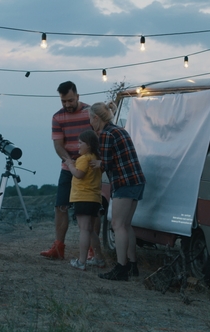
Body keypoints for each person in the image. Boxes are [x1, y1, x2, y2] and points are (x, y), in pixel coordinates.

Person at [41, 81, 98, 260]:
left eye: (70, 100)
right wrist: (70, 161)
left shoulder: (90, 113)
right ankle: (58, 247)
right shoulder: (57, 117)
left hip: (89, 169)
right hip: (68, 168)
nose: (67, 105)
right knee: (61, 206)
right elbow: (58, 145)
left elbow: (99, 138)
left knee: (91, 210)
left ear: (78, 96)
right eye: (63, 101)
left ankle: (92, 249)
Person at [89, 102, 145, 281]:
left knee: (118, 225)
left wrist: (96, 164)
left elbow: (106, 164)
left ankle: (121, 268)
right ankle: (132, 265)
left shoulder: (106, 134)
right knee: (126, 225)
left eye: (90, 119)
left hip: (124, 182)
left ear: (96, 118)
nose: (90, 123)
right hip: (136, 181)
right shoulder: (119, 130)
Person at [63, 129, 105, 270]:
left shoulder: (84, 159)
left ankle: (81, 262)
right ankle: (99, 259)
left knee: (84, 230)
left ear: (89, 144)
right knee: (91, 230)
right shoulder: (95, 158)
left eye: (80, 143)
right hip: (94, 199)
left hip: (83, 197)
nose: (77, 145)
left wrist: (70, 165)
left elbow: (79, 174)